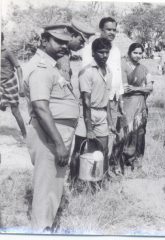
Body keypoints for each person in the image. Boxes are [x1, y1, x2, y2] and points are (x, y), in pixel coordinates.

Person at [23, 25, 78, 232]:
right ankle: (41, 230)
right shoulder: (41, 68)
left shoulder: (51, 66)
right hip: (49, 135)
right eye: (58, 41)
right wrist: (59, 144)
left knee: (53, 184)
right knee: (46, 187)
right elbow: (40, 107)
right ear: (44, 41)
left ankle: (46, 226)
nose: (64, 46)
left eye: (66, 42)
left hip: (56, 132)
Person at [81, 17, 124, 174]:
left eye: (114, 30)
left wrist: (120, 97)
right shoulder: (89, 49)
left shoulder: (116, 50)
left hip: (111, 98)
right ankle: (89, 173)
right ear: (101, 30)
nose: (112, 32)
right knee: (92, 141)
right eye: (108, 29)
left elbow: (117, 74)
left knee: (111, 137)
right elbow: (88, 78)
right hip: (94, 102)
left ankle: (107, 170)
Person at [69, 38, 114, 183]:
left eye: (107, 52)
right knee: (79, 150)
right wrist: (89, 128)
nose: (104, 55)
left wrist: (110, 121)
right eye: (101, 52)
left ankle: (101, 179)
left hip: (102, 114)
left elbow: (106, 99)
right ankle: (74, 181)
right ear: (93, 53)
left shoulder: (109, 72)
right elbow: (86, 102)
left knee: (103, 150)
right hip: (86, 114)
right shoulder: (86, 71)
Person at [111, 43, 154, 170]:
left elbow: (150, 87)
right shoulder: (123, 66)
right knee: (125, 131)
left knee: (139, 132)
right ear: (129, 53)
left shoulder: (144, 68)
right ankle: (120, 160)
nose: (138, 55)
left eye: (140, 53)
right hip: (126, 103)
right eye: (135, 52)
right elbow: (125, 88)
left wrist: (136, 88)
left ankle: (137, 160)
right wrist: (143, 89)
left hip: (141, 105)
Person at [1, 32, 27, 138]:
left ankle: (25, 135)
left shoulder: (7, 52)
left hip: (9, 83)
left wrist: (21, 87)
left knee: (15, 111)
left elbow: (19, 68)